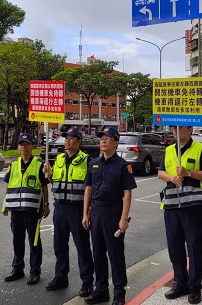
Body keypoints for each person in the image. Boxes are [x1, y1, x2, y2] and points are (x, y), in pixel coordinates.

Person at [157, 126, 202, 304]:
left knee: (194, 247)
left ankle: (194, 287)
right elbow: (160, 172)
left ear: (189, 130)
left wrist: (188, 173)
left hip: (193, 207)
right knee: (175, 247)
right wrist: (172, 177)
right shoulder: (169, 150)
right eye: (173, 128)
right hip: (171, 206)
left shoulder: (200, 149)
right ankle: (180, 282)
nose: (175, 130)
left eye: (179, 127)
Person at [82, 127, 136, 305]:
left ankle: (119, 293)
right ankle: (101, 290)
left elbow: (127, 193)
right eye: (101, 138)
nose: (103, 141)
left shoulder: (122, 165)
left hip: (113, 212)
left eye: (107, 138)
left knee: (115, 254)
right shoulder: (94, 163)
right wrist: (85, 213)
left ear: (116, 142)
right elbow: (88, 188)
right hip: (96, 212)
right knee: (98, 253)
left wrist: (123, 218)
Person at [45, 127, 95, 297]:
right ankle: (60, 277)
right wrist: (49, 174)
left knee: (82, 246)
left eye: (72, 138)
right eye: (66, 138)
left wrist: (87, 211)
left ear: (79, 141)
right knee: (59, 245)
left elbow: (92, 188)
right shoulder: (58, 159)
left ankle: (87, 282)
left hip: (78, 208)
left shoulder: (87, 160)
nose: (67, 140)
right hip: (60, 207)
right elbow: (55, 182)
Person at [2, 133, 51, 286]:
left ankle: (35, 271)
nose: (23, 147)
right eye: (21, 144)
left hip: (33, 210)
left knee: (34, 241)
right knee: (17, 240)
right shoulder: (14, 164)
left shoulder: (38, 164)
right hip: (16, 210)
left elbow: (44, 186)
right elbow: (8, 185)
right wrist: (4, 205)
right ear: (18, 147)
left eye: (26, 144)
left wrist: (46, 205)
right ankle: (17, 269)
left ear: (32, 146)